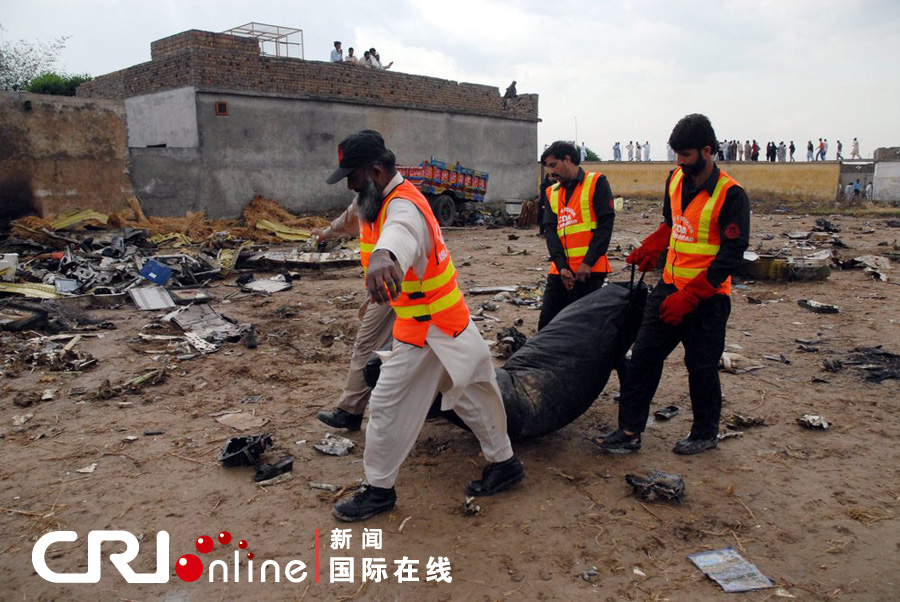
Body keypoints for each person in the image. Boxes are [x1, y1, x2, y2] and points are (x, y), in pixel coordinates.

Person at [325, 131, 524, 521]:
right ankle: (505, 464)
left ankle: (379, 490)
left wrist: (384, 255)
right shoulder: (374, 202)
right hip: (448, 324)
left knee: (385, 406)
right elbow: (360, 224)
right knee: (472, 395)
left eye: (353, 176)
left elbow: (402, 234)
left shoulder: (403, 207)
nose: (349, 185)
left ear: (378, 171)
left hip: (429, 328)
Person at [593, 113, 750, 456]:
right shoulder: (676, 179)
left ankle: (705, 432)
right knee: (644, 357)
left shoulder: (731, 195)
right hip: (668, 288)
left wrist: (693, 294)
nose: (680, 162)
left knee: (702, 368)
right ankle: (630, 430)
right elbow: (671, 223)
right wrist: (652, 246)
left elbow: (732, 255)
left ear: (707, 151)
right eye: (676, 154)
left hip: (707, 298)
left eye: (686, 156)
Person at [313, 191, 396, 431]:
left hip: (395, 284)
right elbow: (348, 219)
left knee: (367, 343)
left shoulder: (397, 202)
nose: (350, 184)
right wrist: (326, 233)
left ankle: (350, 410)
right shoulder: (365, 198)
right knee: (418, 346)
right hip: (392, 284)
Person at [537, 140, 615, 331]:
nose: (551, 172)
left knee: (582, 329)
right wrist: (562, 266)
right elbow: (551, 232)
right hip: (560, 272)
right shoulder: (552, 192)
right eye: (548, 167)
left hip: (589, 271)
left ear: (568, 159)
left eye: (553, 165)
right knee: (547, 327)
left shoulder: (596, 183)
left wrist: (587, 263)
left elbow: (605, 228)